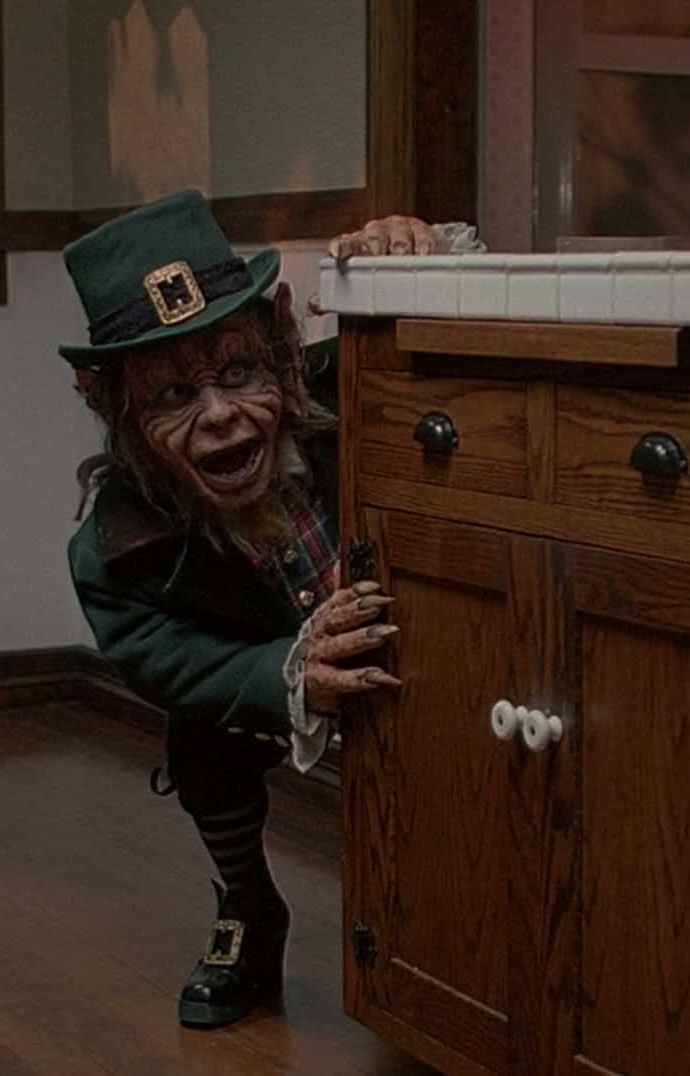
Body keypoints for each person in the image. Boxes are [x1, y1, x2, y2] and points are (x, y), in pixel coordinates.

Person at [57, 191, 475, 1029]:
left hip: (431, 653)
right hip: (275, 674)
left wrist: (422, 258)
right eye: (172, 394)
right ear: (109, 404)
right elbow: (169, 659)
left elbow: (466, 352)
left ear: (281, 342)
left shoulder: (358, 380)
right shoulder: (117, 551)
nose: (219, 416)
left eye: (239, 372)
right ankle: (248, 905)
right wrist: (289, 672)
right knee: (202, 739)